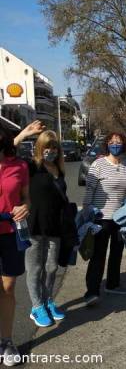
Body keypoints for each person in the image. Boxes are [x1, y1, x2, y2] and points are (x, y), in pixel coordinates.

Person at [13, 125, 69, 327]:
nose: (51, 151)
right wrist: (23, 135)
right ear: (39, 148)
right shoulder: (31, 166)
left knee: (52, 267)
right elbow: (7, 150)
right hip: (33, 227)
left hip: (55, 227)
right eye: (47, 147)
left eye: (54, 147)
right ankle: (36, 307)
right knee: (35, 269)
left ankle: (48, 301)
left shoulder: (60, 170)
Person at [83, 132, 126, 306]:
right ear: (107, 145)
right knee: (98, 255)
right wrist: (88, 210)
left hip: (121, 218)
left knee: (117, 252)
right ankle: (92, 291)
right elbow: (89, 190)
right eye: (112, 142)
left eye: (118, 142)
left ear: (124, 144)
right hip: (100, 218)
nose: (115, 145)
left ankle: (113, 284)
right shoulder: (98, 164)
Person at [0, 126, 29, 365]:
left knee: (8, 288)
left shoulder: (18, 165)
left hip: (10, 233)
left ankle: (6, 341)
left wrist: (25, 205)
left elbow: (26, 196)